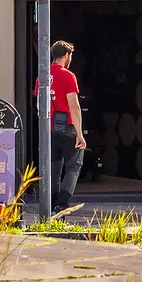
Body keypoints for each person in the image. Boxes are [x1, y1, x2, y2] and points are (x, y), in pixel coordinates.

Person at [48, 40, 86, 212]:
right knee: (73, 166)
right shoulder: (68, 76)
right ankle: (61, 206)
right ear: (65, 55)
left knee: (54, 170)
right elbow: (74, 106)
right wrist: (80, 133)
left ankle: (51, 207)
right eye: (70, 55)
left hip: (49, 129)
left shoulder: (43, 76)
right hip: (68, 128)